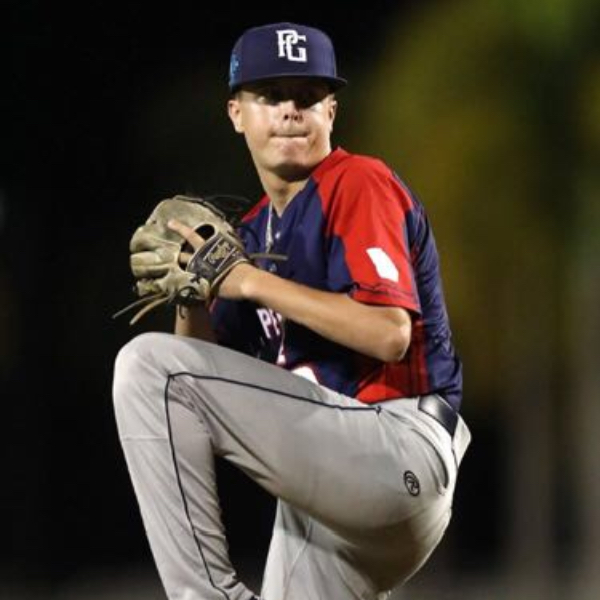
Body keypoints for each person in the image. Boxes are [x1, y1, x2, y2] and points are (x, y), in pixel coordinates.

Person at [112, 22, 471, 600]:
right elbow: (198, 377)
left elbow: (389, 334)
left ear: (331, 111)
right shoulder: (250, 234)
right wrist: (193, 296)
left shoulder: (357, 182)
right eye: (271, 95)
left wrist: (249, 282)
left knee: (144, 366)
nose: (290, 111)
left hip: (397, 448)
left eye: (307, 96)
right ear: (236, 113)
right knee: (164, 370)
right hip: (328, 496)